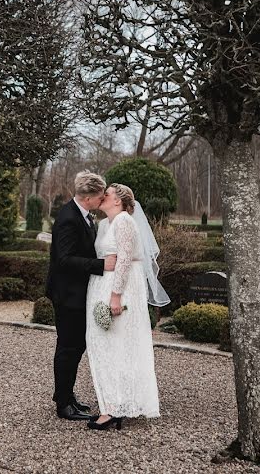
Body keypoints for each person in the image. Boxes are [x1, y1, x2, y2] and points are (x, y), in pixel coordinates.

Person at [85, 183, 170, 430]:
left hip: (119, 290)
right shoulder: (103, 225)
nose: (103, 196)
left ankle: (113, 408)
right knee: (103, 345)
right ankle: (112, 403)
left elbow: (123, 260)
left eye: (107, 194)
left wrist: (115, 296)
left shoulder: (124, 221)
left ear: (118, 201)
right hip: (99, 287)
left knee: (118, 345)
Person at [45, 171, 117, 421]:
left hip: (77, 293)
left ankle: (67, 396)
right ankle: (63, 404)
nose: (102, 201)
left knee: (76, 347)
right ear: (89, 197)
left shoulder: (84, 216)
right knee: (68, 348)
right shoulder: (68, 218)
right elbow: (63, 260)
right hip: (67, 295)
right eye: (100, 196)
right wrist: (100, 265)